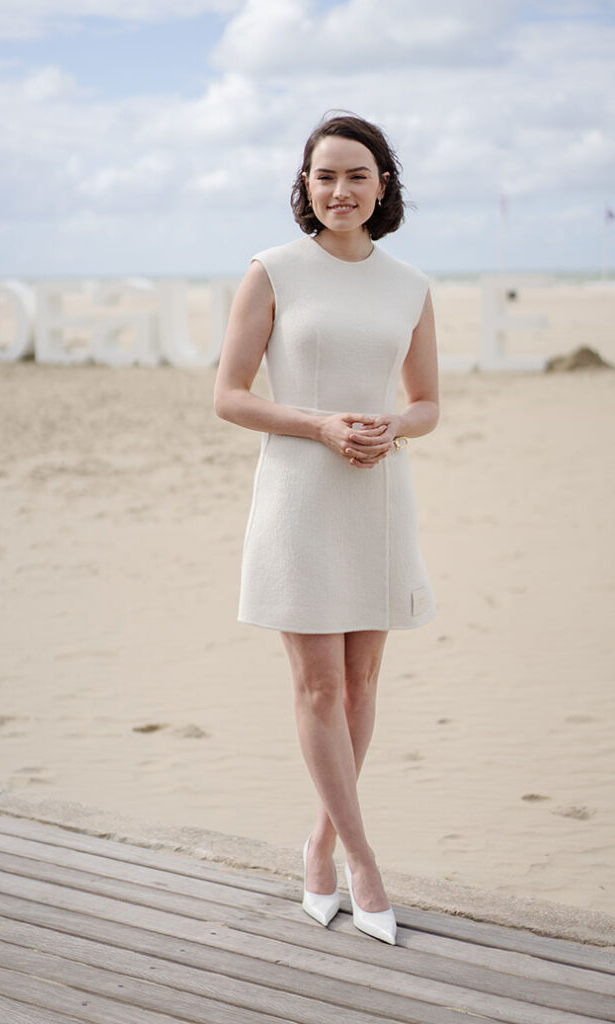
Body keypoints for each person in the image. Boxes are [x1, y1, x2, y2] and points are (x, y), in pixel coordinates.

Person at [213, 112, 439, 945]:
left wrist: (393, 426)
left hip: (378, 496)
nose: (339, 190)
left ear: (383, 185)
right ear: (304, 188)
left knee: (361, 685)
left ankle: (317, 844)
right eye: (323, 177)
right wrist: (320, 426)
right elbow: (229, 395)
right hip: (300, 493)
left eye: (355, 175)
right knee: (316, 687)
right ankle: (364, 861)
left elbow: (426, 403)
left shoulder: (408, 284)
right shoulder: (271, 271)